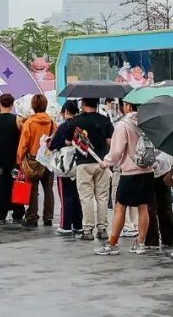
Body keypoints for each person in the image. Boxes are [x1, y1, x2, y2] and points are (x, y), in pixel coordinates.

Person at [95, 101, 152, 257]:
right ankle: (141, 243)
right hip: (147, 171)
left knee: (120, 206)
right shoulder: (148, 122)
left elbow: (117, 151)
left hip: (129, 172)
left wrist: (105, 162)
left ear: (127, 106)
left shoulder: (123, 124)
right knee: (143, 207)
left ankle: (112, 243)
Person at [67, 98, 114, 241]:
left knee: (86, 197)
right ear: (96, 104)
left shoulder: (75, 122)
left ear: (83, 104)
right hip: (102, 163)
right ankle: (102, 229)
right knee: (102, 197)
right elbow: (109, 142)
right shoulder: (105, 120)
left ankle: (87, 230)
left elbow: (69, 141)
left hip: (83, 163)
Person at [18, 93, 57, 228]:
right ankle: (48, 217)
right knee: (48, 189)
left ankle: (32, 217)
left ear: (33, 106)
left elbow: (23, 144)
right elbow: (55, 141)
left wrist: (20, 158)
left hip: (32, 160)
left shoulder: (29, 123)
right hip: (47, 159)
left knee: (33, 190)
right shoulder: (52, 123)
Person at [0, 94, 24, 225]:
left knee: (0, 186)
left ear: (0, 104)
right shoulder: (18, 120)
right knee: (17, 185)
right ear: (12, 104)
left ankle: (0, 214)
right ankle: (18, 213)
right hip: (14, 159)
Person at [49, 101, 83, 235]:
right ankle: (78, 224)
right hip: (79, 164)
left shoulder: (64, 126)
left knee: (66, 196)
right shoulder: (81, 125)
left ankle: (65, 225)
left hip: (65, 166)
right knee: (77, 195)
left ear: (67, 112)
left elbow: (52, 145)